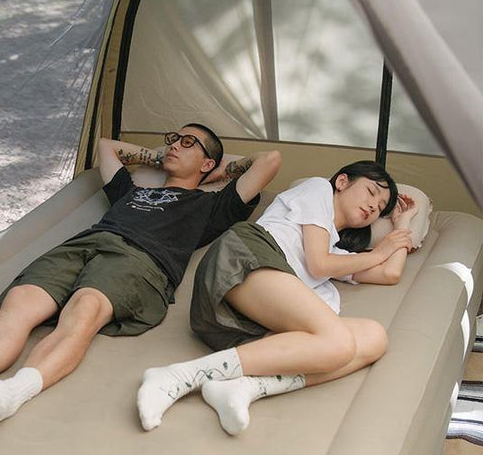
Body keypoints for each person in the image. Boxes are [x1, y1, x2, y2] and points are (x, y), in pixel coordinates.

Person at [0, 124, 282, 428]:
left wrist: (218, 170)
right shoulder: (130, 191)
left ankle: (12, 394)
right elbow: (107, 147)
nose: (175, 145)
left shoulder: (211, 206)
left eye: (188, 143)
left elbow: (270, 161)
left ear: (209, 164)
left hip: (143, 260)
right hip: (87, 243)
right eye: (173, 139)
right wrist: (165, 156)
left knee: (85, 307)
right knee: (20, 302)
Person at [137, 161, 418, 435]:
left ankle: (246, 386)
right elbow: (320, 264)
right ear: (342, 182)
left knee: (375, 337)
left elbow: (390, 273)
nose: (374, 206)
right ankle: (181, 376)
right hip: (243, 260)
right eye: (371, 192)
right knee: (340, 341)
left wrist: (402, 224)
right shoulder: (318, 189)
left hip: (256, 317)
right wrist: (379, 253)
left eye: (380, 207)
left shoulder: (338, 253)